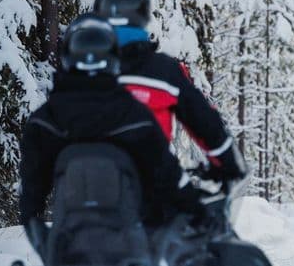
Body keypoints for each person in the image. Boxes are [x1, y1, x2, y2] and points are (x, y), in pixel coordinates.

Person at [18, 15, 207, 259]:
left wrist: (41, 239)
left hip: (68, 248)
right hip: (128, 248)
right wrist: (194, 213)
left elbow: (32, 194)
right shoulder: (135, 116)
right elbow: (167, 176)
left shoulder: (45, 121)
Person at [93, 0, 246, 184]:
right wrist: (228, 163)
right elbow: (204, 121)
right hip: (151, 188)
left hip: (84, 191)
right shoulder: (163, 71)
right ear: (142, 15)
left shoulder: (81, 68)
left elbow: (52, 123)